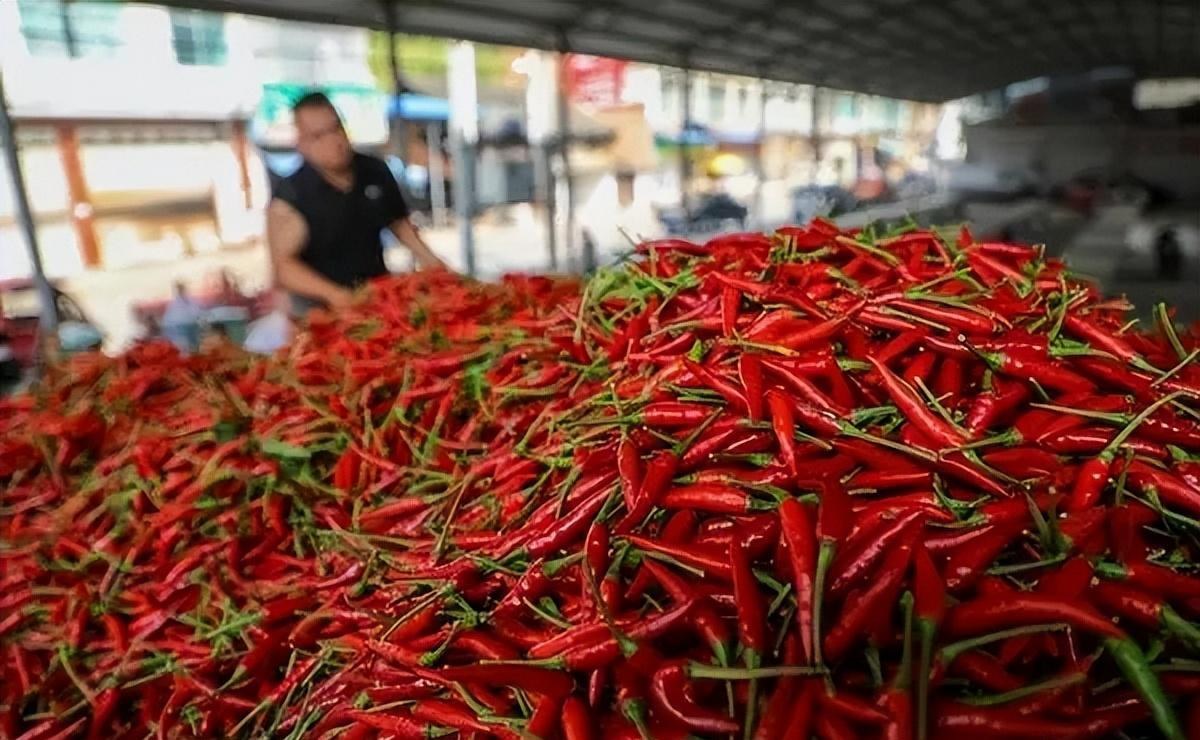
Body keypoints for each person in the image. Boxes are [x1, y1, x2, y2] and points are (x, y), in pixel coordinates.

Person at [267, 92, 447, 315]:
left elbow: (401, 226)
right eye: (319, 136)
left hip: (375, 299)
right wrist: (335, 295)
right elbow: (283, 268)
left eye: (336, 129)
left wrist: (437, 268)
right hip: (320, 312)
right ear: (301, 144)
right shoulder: (291, 196)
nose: (334, 141)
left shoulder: (375, 171)